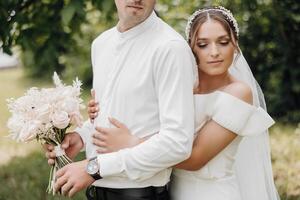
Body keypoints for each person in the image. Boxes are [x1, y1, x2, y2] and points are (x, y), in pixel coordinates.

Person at [88, 6, 280, 200]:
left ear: (235, 45)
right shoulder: (182, 87)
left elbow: (196, 157)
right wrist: (100, 112)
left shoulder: (238, 93)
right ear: (191, 48)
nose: (214, 52)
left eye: (223, 42)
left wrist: (132, 143)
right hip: (172, 190)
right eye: (203, 44)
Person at [45, 0, 197, 199]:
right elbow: (110, 115)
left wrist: (95, 167)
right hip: (97, 192)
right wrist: (81, 138)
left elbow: (177, 143)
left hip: (140, 193)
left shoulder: (170, 48)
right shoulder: (101, 44)